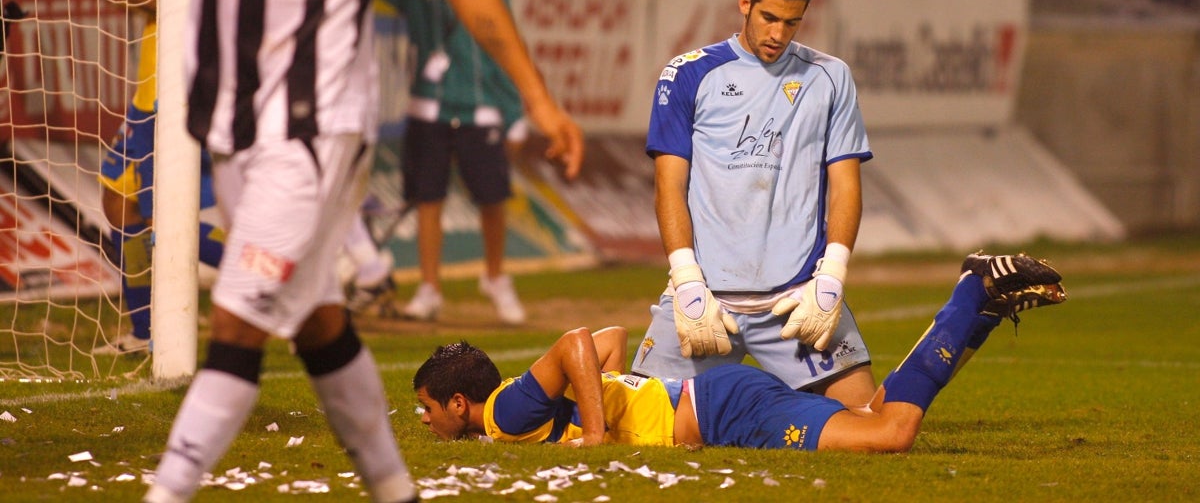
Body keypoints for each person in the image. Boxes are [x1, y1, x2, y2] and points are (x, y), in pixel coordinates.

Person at [11, 0, 582, 503]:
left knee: (238, 323)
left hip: (318, 137)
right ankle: (395, 487)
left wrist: (539, 98)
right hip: (232, 131)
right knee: (318, 326)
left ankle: (166, 491)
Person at [413, 252, 1067, 450]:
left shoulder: (502, 417)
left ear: (458, 402)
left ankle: (972, 294)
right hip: (713, 400)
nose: (424, 421)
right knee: (876, 423)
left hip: (718, 407)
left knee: (890, 435)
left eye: (425, 408)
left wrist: (594, 430)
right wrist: (613, 400)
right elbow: (608, 344)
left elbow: (578, 343)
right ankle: (977, 308)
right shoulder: (513, 418)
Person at [629, 0, 876, 409]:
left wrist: (832, 279)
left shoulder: (831, 78)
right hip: (705, 299)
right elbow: (668, 189)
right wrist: (686, 282)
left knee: (866, 420)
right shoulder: (686, 73)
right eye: (768, 18)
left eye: (792, 22)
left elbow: (845, 186)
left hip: (796, 300)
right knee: (638, 425)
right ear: (745, 2)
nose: (778, 35)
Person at [376, 0, 529, 325]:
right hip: (428, 107)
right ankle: (429, 287)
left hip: (481, 111)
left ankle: (496, 278)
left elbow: (504, 50)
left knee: (493, 197)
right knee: (428, 198)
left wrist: (515, 112)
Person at [95, 0, 226, 355]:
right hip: (148, 90)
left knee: (163, 218)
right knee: (119, 202)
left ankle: (279, 283)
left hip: (178, 93)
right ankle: (142, 330)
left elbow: (210, 3)